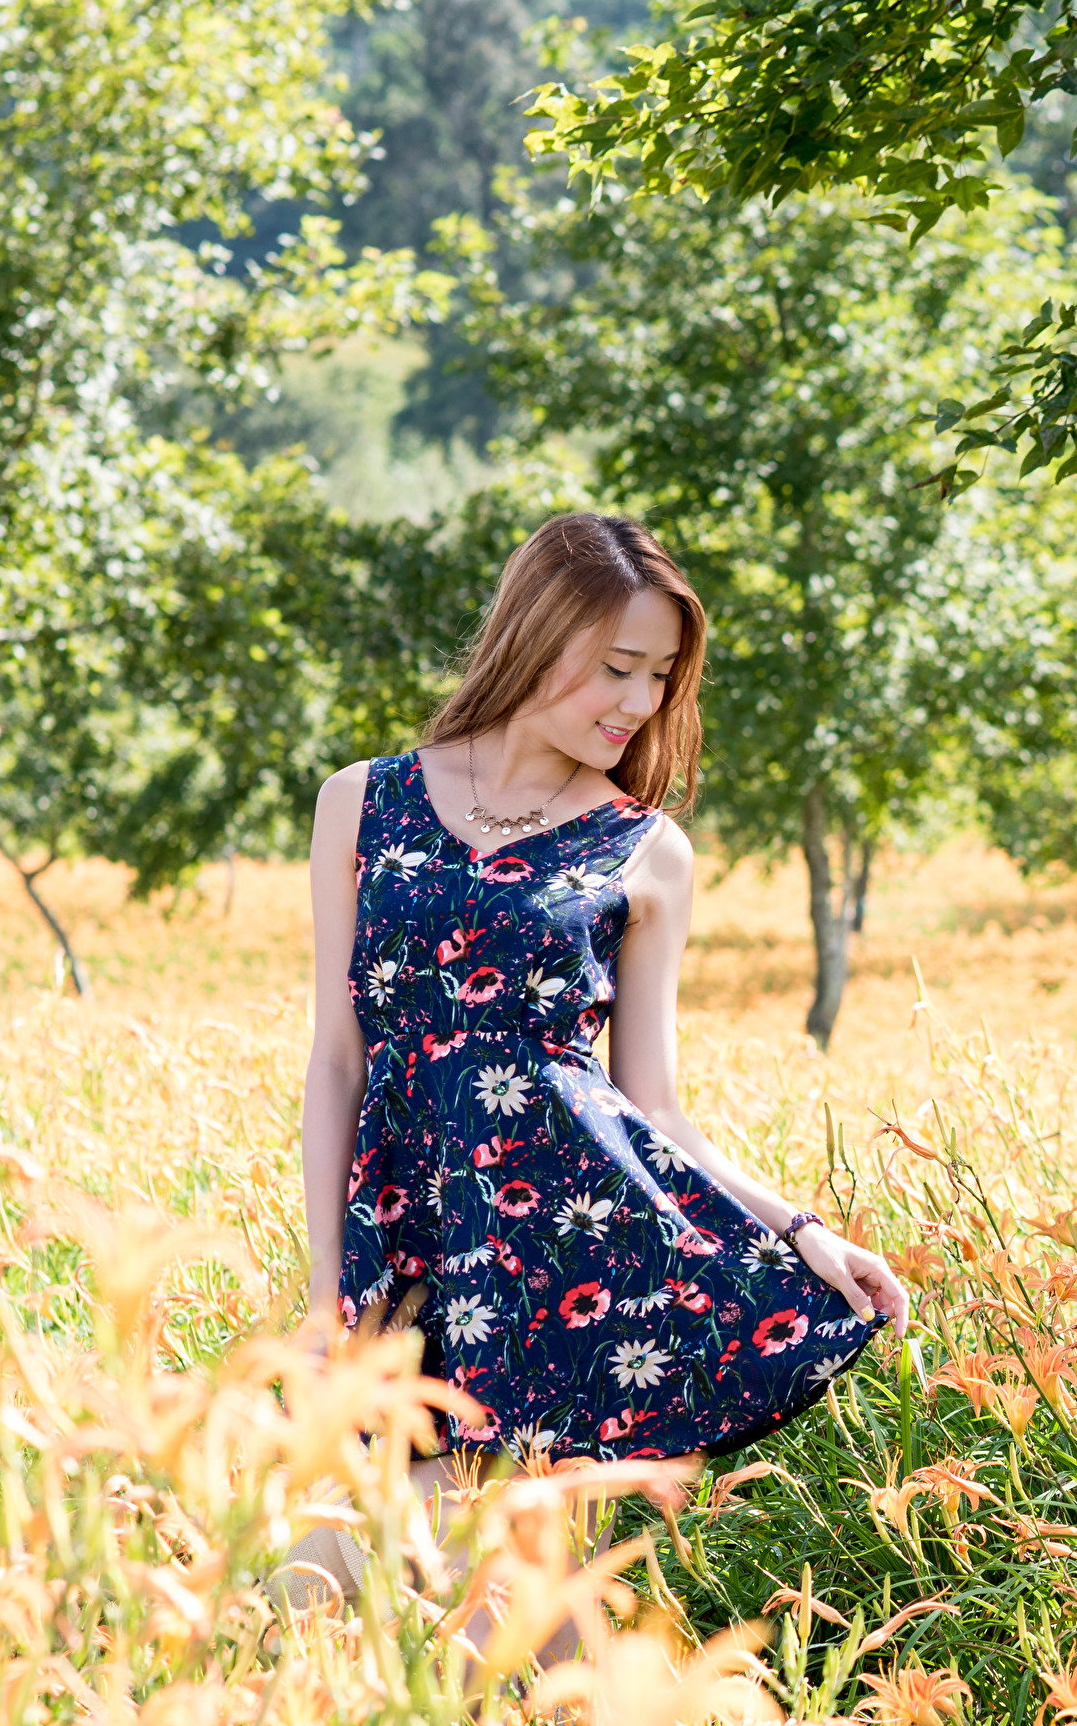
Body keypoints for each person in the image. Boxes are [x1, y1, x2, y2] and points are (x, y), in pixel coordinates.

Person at [298, 511, 909, 1531]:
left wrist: (799, 1232)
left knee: (480, 1585)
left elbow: (652, 1107)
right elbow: (334, 1062)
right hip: (402, 1248)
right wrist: (326, 1291)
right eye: (618, 666)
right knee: (346, 1568)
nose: (641, 701)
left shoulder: (647, 849)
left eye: (661, 675)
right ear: (535, 635)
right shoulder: (362, 803)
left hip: (567, 1262)